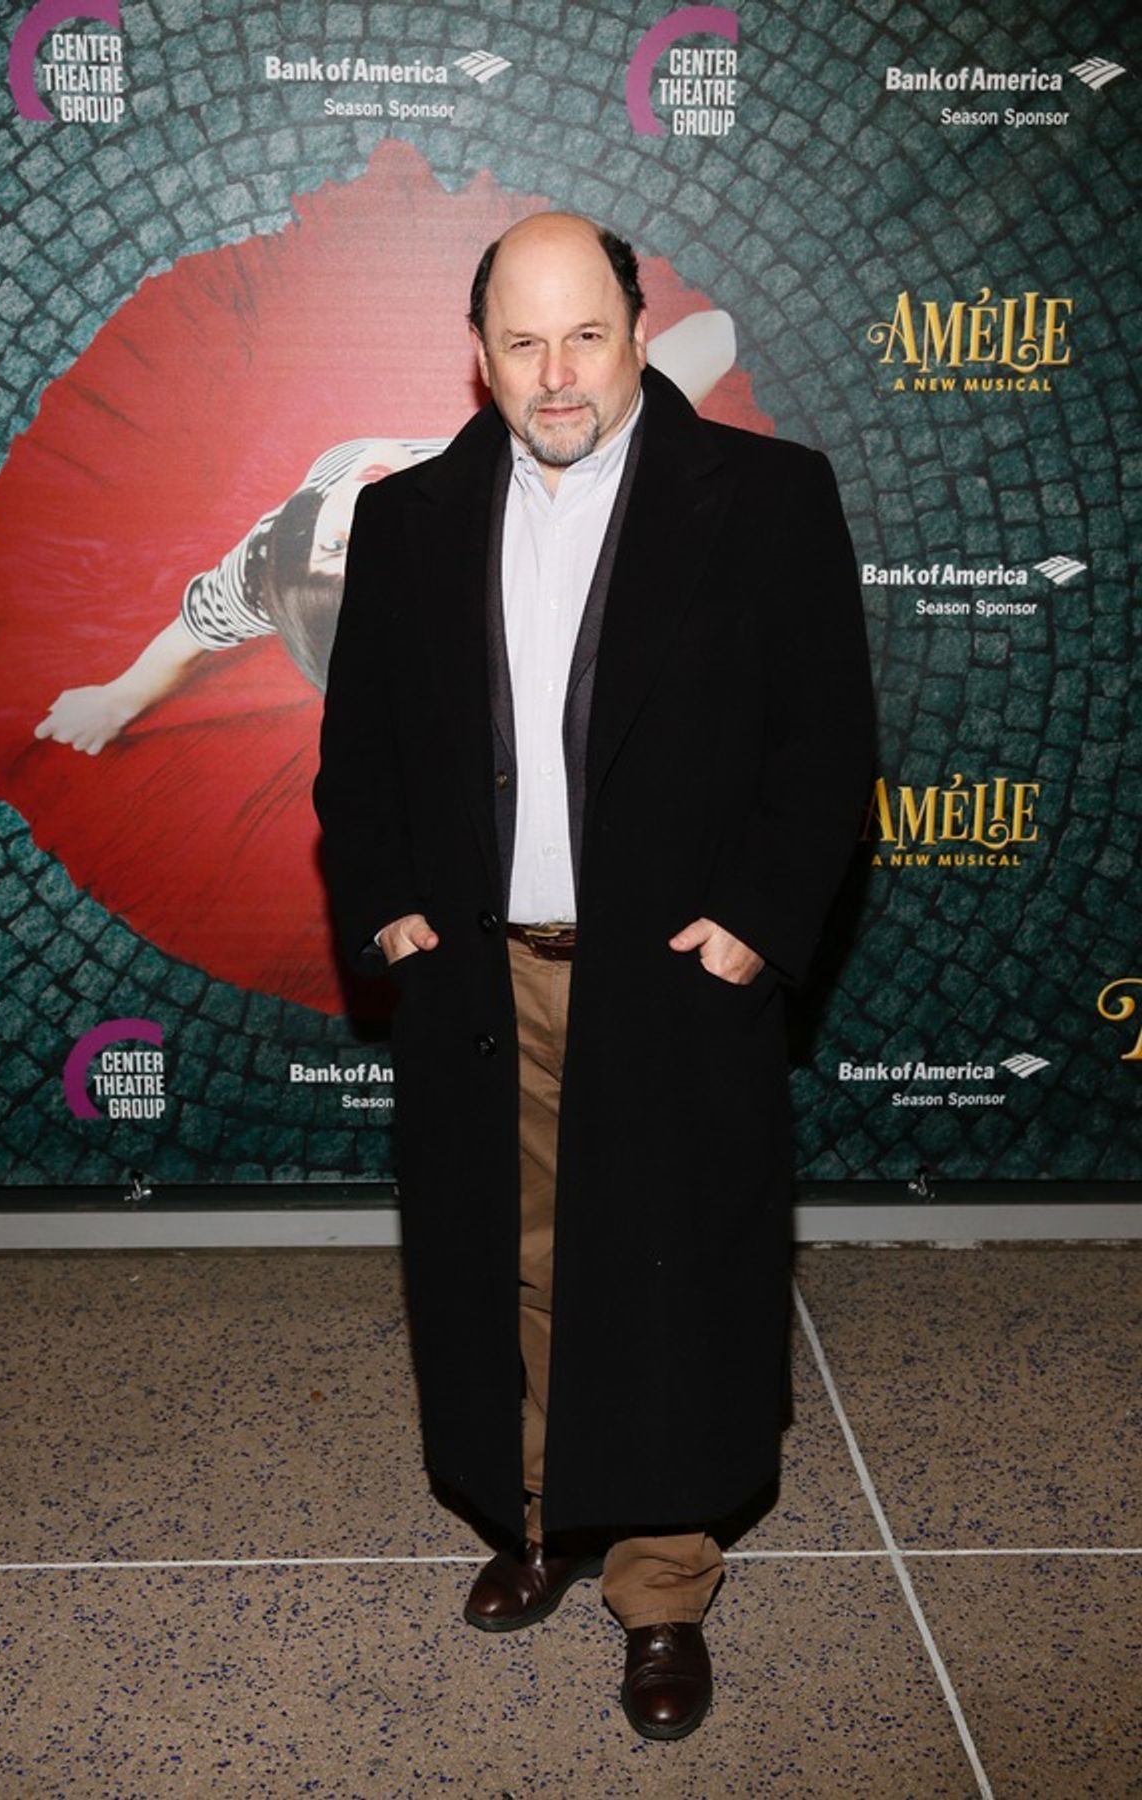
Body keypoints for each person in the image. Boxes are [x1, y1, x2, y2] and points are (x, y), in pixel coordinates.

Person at [313, 213, 875, 1741]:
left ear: (637, 330)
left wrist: (756, 918)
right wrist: (391, 910)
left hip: (674, 971)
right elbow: (354, 756)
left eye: (583, 336)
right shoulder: (410, 515)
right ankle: (541, 1515)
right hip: (484, 983)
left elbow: (825, 747)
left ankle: (664, 1587)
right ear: (478, 351)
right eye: (519, 341)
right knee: (516, 1262)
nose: (554, 376)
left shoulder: (765, 500)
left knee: (673, 1274)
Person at [32, 317, 734, 753]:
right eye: (380, 560)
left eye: (338, 546)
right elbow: (708, 342)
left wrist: (116, 698)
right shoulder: (516, 493)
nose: (370, 523)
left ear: (303, 529)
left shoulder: (268, 559)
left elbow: (189, 634)